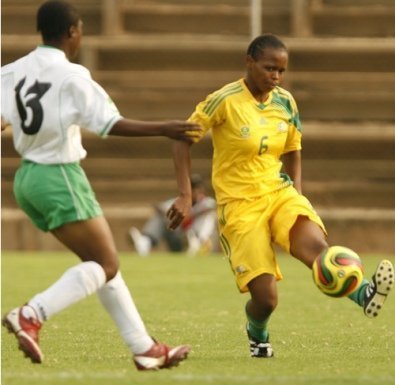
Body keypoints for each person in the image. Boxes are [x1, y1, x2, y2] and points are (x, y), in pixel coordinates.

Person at [1, 0, 203, 370]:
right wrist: (164, 128)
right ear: (72, 33)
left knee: (100, 263)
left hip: (27, 178)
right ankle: (32, 314)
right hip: (59, 174)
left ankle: (144, 347)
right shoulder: (72, 75)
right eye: (80, 32)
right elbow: (110, 124)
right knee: (106, 263)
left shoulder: (13, 72)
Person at [166, 33, 394, 358]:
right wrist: (185, 195)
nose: (276, 76)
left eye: (281, 71)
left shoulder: (285, 101)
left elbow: (293, 148)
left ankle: (363, 293)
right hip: (239, 207)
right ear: (249, 63)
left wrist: (297, 196)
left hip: (278, 192)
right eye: (270, 68)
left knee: (317, 249)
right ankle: (257, 332)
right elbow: (182, 139)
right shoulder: (224, 100)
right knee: (266, 299)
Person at [129, 173, 217, 256]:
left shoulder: (207, 202)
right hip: (180, 240)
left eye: (198, 188)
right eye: (193, 188)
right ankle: (144, 242)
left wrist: (190, 215)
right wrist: (171, 213)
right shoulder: (180, 201)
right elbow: (159, 206)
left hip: (200, 240)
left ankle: (197, 243)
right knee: (161, 217)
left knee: (209, 216)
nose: (196, 191)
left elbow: (211, 207)